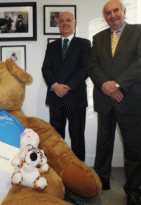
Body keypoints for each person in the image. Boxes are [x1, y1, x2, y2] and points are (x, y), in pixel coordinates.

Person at [88, 0, 141, 204]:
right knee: (103, 144)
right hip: (105, 97)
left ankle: (133, 191)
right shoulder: (97, 38)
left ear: (123, 11)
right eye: (107, 12)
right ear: (104, 16)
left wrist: (117, 85)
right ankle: (101, 181)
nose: (112, 15)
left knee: (134, 147)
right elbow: (92, 66)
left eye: (116, 10)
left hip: (131, 97)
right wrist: (106, 86)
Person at [41, 12, 91, 161]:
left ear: (74, 23)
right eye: (61, 21)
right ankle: (58, 170)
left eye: (68, 20)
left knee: (77, 137)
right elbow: (46, 69)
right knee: (56, 138)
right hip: (55, 97)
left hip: (76, 98)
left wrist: (67, 86)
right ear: (58, 26)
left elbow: (86, 69)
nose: (65, 23)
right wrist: (55, 85)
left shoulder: (84, 43)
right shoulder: (51, 46)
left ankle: (79, 173)